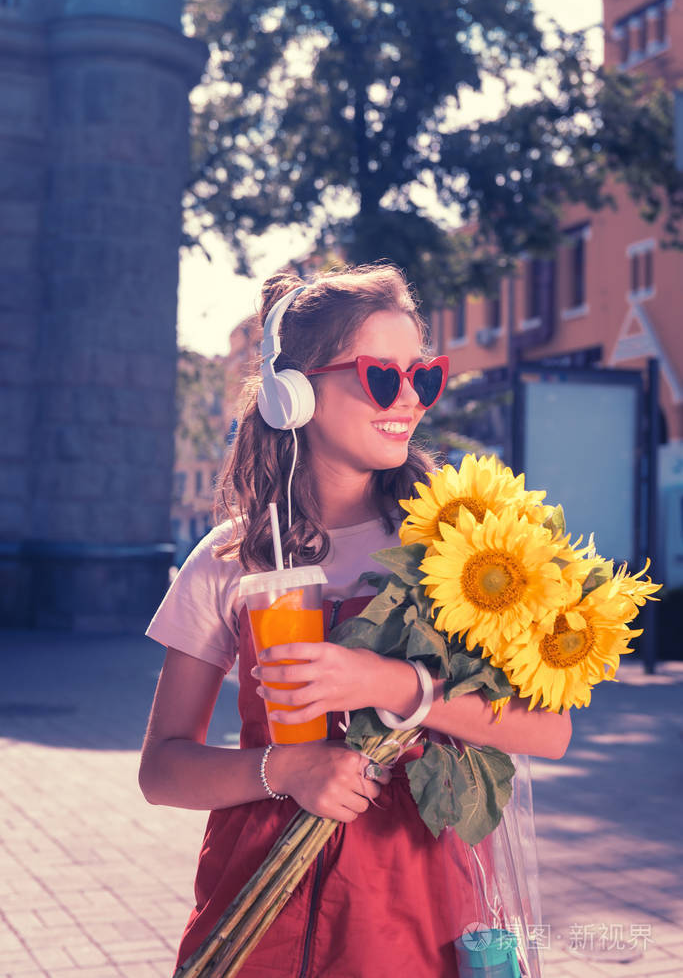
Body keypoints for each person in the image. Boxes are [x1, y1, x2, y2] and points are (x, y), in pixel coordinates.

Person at [139, 263, 572, 978]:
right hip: (255, 918)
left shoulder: (462, 548)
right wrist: (284, 767)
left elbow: (547, 729)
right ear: (295, 393)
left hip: (414, 921)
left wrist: (391, 681)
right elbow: (161, 769)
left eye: (422, 377)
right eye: (379, 376)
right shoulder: (229, 558)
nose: (409, 400)